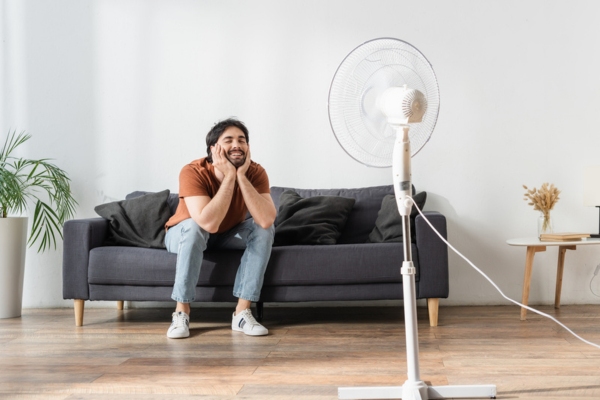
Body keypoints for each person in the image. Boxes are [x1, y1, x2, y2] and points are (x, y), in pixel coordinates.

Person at [163, 118, 276, 339]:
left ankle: (242, 313)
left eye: (242, 140)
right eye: (229, 140)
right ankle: (181, 312)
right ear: (214, 149)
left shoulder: (255, 172)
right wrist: (229, 178)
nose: (237, 145)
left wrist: (240, 176)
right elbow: (208, 223)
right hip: (183, 234)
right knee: (196, 227)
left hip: (225, 234)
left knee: (264, 230)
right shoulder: (192, 171)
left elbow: (265, 220)